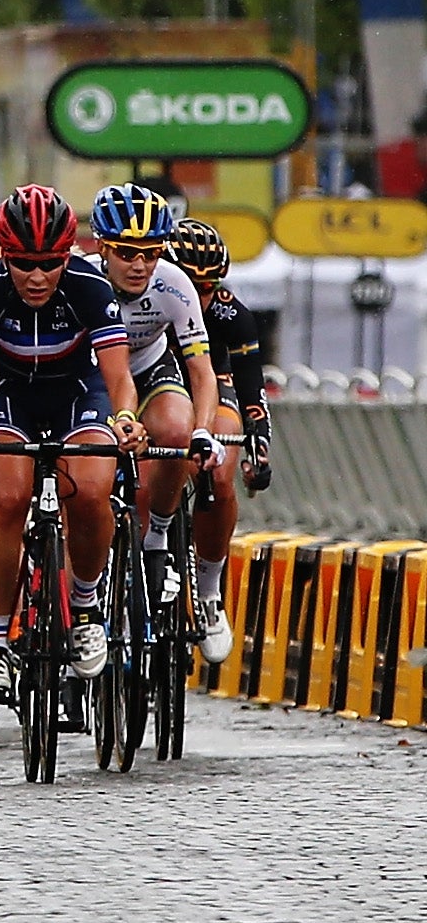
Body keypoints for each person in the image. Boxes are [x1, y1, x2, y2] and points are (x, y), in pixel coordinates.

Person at [0, 184, 143, 697]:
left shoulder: (89, 285)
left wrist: (125, 417)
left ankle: (84, 608)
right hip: (7, 395)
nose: (36, 277)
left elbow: (120, 378)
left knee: (91, 487)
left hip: (79, 394)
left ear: (67, 255)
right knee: (8, 496)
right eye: (22, 263)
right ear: (5, 255)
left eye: (49, 263)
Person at [84, 185, 219, 631]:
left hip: (149, 367)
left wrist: (203, 430)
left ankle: (156, 537)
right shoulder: (81, 279)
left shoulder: (173, 283)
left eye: (151, 252)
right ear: (102, 246)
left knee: (178, 432)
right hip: (94, 375)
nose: (140, 264)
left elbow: (201, 371)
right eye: (126, 252)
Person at [169, 217, 266, 663]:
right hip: (154, 383)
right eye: (191, 283)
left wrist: (259, 448)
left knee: (219, 468)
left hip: (213, 384)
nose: (200, 295)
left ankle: (207, 593)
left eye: (209, 286)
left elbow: (250, 387)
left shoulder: (231, 315)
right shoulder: (146, 298)